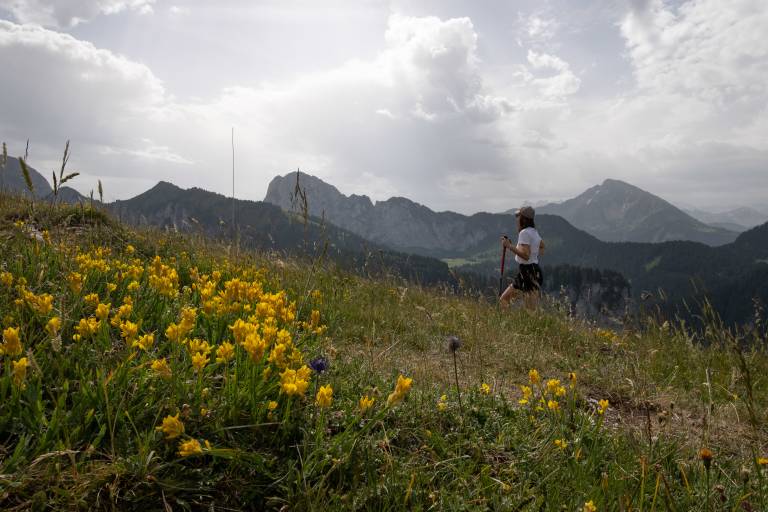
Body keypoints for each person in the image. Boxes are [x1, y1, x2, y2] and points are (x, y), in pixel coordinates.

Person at [500, 206, 545, 309]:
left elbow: (526, 256)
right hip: (532, 271)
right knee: (505, 299)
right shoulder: (534, 231)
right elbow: (542, 246)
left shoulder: (524, 233)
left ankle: (506, 319)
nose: (517, 219)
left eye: (518, 216)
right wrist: (534, 255)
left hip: (528, 272)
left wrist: (509, 246)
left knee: (506, 301)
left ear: (523, 219)